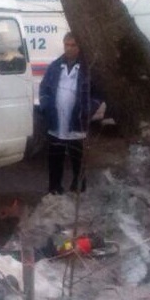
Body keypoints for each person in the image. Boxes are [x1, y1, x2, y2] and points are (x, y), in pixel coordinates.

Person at [38, 32, 101, 194]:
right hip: (56, 122)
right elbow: (44, 88)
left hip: (76, 122)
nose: (70, 48)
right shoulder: (54, 66)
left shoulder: (88, 69)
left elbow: (98, 93)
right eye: (67, 45)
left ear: (79, 47)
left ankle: (79, 190)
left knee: (78, 161)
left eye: (73, 45)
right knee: (55, 160)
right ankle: (54, 188)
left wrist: (88, 109)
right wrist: (45, 105)